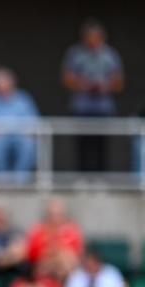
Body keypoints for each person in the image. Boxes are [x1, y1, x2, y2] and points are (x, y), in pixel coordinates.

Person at [61, 19, 124, 172]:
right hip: (81, 107)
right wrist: (83, 84)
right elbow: (66, 78)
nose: (93, 41)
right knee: (82, 144)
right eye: (90, 37)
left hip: (103, 108)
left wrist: (105, 86)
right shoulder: (75, 53)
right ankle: (82, 178)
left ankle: (101, 178)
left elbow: (119, 82)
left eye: (96, 37)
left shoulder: (110, 54)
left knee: (101, 145)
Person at [0, 67, 39, 182]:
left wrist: (26, 130)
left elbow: (32, 120)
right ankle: (1, 181)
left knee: (28, 144)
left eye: (5, 83)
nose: (3, 87)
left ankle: (20, 181)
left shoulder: (23, 98)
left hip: (19, 135)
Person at [25, 198, 84, 280]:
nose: (54, 218)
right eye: (52, 214)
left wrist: (58, 253)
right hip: (42, 273)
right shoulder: (37, 230)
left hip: (67, 274)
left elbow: (76, 257)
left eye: (58, 214)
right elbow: (33, 256)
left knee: (65, 258)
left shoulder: (72, 230)